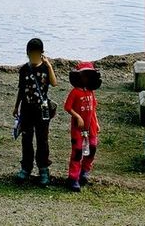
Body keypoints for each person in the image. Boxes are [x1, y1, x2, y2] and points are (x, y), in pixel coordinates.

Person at [13, 37, 58, 186]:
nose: (33, 56)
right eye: (31, 53)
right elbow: (21, 90)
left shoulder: (45, 68)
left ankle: (43, 170)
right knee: (26, 140)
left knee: (42, 140)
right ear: (27, 53)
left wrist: (49, 65)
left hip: (41, 111)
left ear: (41, 53)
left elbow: (54, 83)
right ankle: (26, 168)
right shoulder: (24, 69)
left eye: (36, 53)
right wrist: (16, 106)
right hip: (26, 110)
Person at [64, 61, 102, 192]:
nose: (86, 78)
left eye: (88, 75)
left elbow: (93, 109)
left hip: (90, 126)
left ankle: (85, 170)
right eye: (83, 75)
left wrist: (96, 122)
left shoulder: (90, 92)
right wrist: (77, 116)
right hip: (78, 128)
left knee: (92, 147)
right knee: (77, 151)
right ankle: (73, 177)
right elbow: (67, 107)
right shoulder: (75, 92)